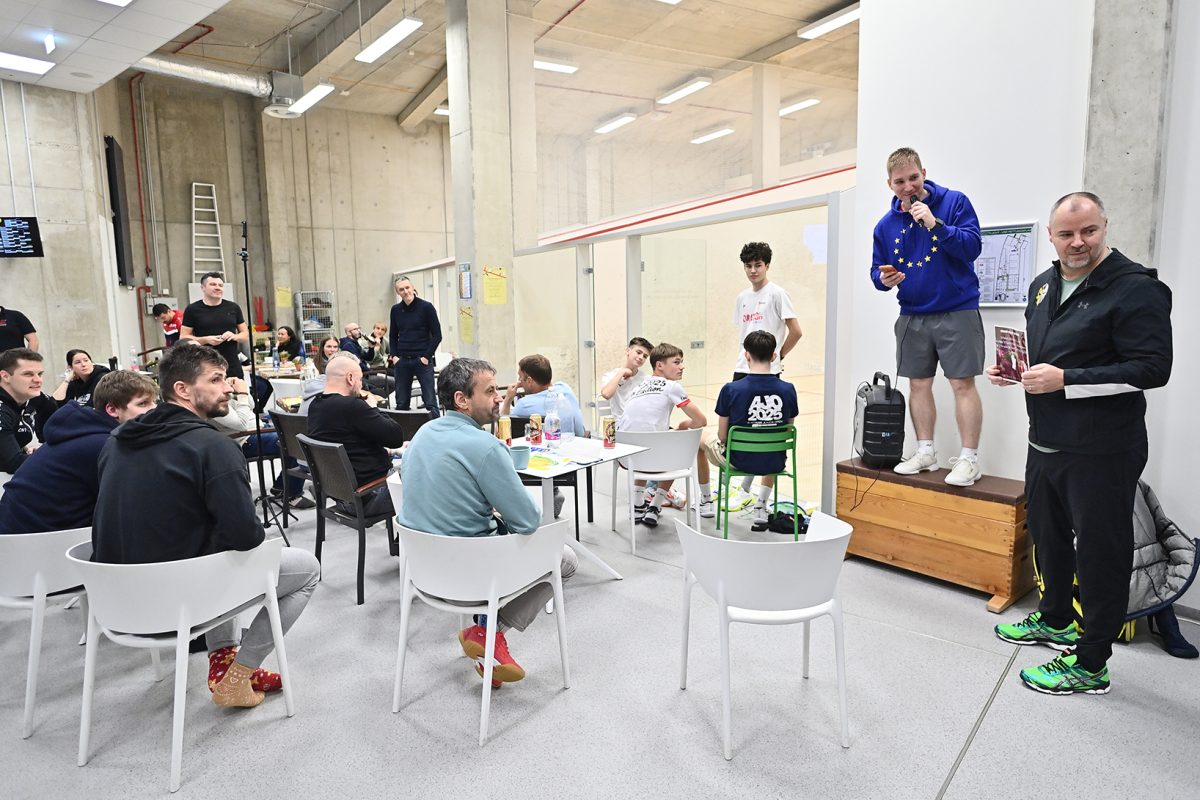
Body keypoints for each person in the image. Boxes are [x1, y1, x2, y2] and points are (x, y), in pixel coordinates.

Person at [989, 192, 1172, 696]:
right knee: (1047, 537)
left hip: (1102, 450)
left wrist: (1066, 380)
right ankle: (1055, 620)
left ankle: (1092, 663)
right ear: (1050, 235)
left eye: (1088, 231)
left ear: (1105, 227)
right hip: (1045, 441)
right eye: (1066, 233)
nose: (1077, 242)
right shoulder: (1043, 285)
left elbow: (1152, 369)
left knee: (1099, 553)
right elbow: (1049, 354)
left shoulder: (1137, 288)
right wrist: (1016, 373)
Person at [92, 344, 321, 708]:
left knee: (213, 546)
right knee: (306, 569)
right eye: (215, 380)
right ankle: (239, 673)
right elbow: (246, 539)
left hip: (119, 602)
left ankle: (223, 659)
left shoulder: (116, 442)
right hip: (180, 601)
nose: (228, 387)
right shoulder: (214, 447)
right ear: (182, 389)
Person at [399, 357, 577, 687]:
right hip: (474, 579)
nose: (499, 398)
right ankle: (490, 632)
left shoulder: (422, 434)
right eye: (490, 391)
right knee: (565, 559)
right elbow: (527, 521)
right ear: (462, 399)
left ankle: (486, 639)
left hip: (426, 575)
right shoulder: (486, 447)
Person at [871, 147, 984, 487]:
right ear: (890, 184)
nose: (908, 187)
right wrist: (884, 279)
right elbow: (876, 272)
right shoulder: (885, 225)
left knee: (962, 384)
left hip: (957, 309)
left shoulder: (954, 202)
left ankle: (969, 459)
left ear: (924, 173)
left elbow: (972, 247)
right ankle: (925, 452)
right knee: (917, 384)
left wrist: (936, 225)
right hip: (912, 314)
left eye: (913, 178)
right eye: (900, 182)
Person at [0, 371, 157, 534]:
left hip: (17, 536)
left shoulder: (83, 433)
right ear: (112, 409)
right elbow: (136, 505)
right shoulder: (104, 445)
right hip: (38, 541)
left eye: (154, 402)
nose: (154, 409)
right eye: (143, 404)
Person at [618, 343, 712, 527]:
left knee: (648, 442)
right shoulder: (672, 386)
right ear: (659, 365)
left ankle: (637, 503)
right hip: (654, 461)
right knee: (680, 445)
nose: (682, 366)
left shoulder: (638, 386)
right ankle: (656, 505)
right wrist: (683, 425)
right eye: (677, 362)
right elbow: (701, 420)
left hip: (627, 459)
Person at [714, 331, 799, 526]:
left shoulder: (730, 389)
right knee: (770, 444)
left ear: (746, 355)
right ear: (774, 356)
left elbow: (722, 436)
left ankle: (706, 500)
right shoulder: (788, 389)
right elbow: (787, 432)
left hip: (738, 461)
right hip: (775, 462)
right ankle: (761, 505)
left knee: (702, 439)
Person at [306, 355, 405, 517]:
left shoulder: (315, 406)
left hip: (340, 496)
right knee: (425, 469)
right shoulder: (352, 406)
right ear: (350, 378)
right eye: (360, 380)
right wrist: (373, 408)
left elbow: (352, 445)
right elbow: (396, 438)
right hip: (370, 495)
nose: (361, 385)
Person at [209, 376, 315, 509]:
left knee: (295, 435)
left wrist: (241, 391)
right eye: (219, 378)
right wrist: (242, 395)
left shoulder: (222, 392)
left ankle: (283, 487)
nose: (225, 380)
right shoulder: (210, 401)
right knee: (296, 442)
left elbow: (252, 406)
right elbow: (241, 424)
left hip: (257, 431)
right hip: (244, 440)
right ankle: (291, 493)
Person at [733, 242, 802, 381]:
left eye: (758, 265)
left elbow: (796, 332)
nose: (753, 270)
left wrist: (779, 356)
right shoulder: (741, 297)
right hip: (742, 368)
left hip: (768, 369)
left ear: (767, 266)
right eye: (748, 266)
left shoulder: (778, 294)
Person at [389, 276, 442, 417]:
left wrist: (426, 357)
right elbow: (393, 335)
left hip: (422, 360)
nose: (405, 291)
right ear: (398, 292)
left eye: (407, 287)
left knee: (430, 402)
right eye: (401, 289)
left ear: (413, 288)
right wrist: (394, 356)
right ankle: (403, 431)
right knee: (401, 403)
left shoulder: (427, 307)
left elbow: (437, 335)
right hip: (402, 361)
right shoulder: (395, 310)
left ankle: (436, 429)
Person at [181, 272, 249, 379]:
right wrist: (206, 340)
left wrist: (234, 336)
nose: (218, 288)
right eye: (213, 284)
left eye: (220, 285)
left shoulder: (233, 307)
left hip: (231, 365)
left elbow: (245, 335)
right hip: (205, 366)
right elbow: (184, 338)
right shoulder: (192, 309)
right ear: (203, 288)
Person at [0, 348, 58, 474]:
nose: (38, 380)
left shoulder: (31, 395)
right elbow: (13, 463)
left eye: (40, 374)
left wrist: (45, 444)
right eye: (28, 374)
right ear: (5, 376)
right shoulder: (2, 410)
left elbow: (52, 409)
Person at [501, 354, 586, 437]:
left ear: (529, 381)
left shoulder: (524, 404)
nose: (519, 381)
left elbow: (504, 426)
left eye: (520, 377)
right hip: (577, 440)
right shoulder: (565, 388)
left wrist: (508, 399)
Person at [599, 336, 653, 420]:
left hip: (640, 423)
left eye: (645, 356)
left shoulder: (647, 379)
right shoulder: (611, 375)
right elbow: (606, 394)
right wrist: (621, 372)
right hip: (619, 423)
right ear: (628, 351)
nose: (641, 357)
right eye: (638, 352)